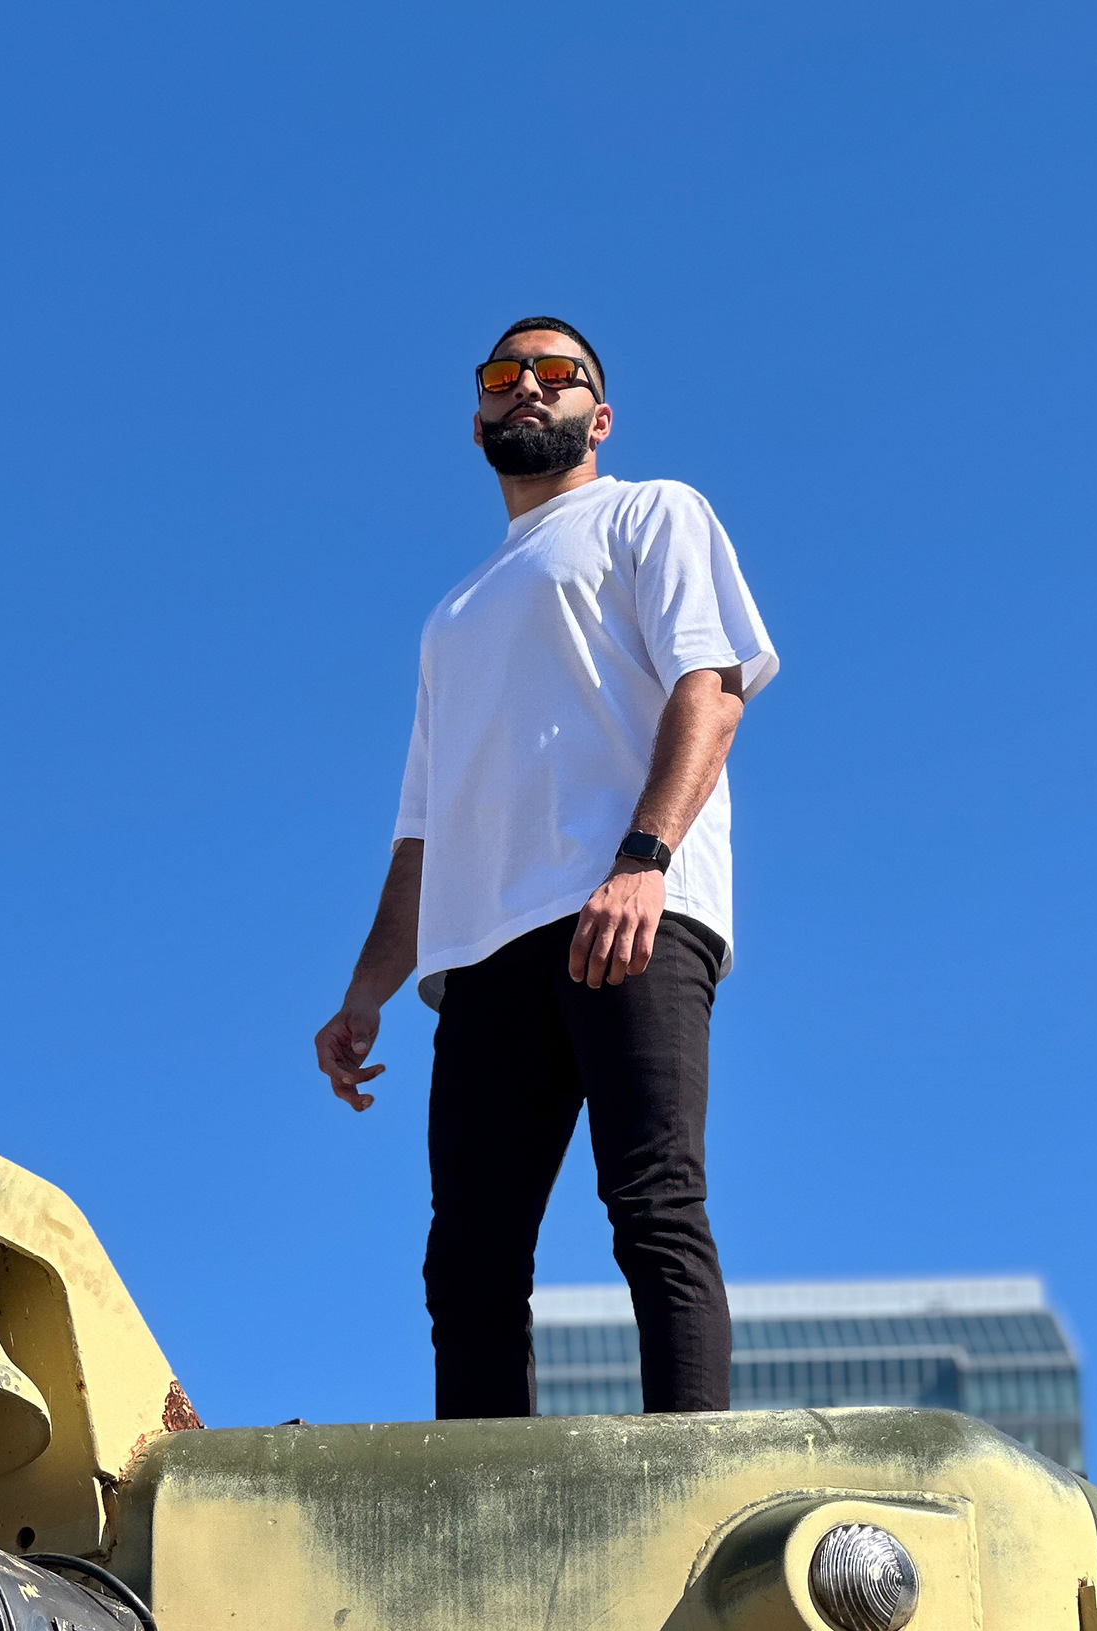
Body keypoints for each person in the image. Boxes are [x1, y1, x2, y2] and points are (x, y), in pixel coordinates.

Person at [314, 317, 777, 1419]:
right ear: (477, 415)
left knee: (652, 1202)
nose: (527, 386)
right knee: (468, 1258)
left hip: (630, 911)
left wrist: (643, 858)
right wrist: (365, 989)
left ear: (598, 417)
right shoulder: (452, 615)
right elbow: (424, 830)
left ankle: (688, 1480)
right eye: (502, 374)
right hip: (483, 958)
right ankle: (484, 1519)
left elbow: (711, 690)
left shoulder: (650, 510)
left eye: (556, 374)